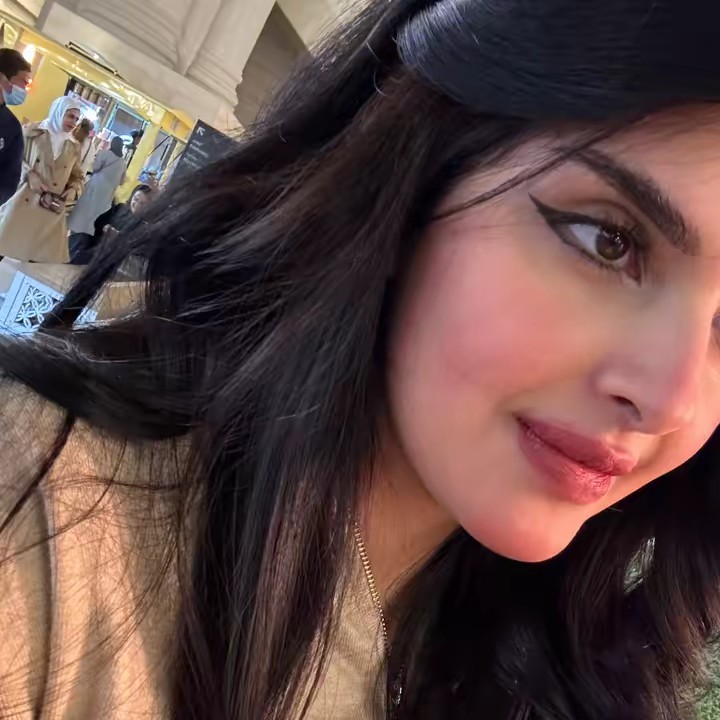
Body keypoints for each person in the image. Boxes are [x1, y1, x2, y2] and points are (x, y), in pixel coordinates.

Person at [1, 1, 720, 719]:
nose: (672, 400)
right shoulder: (46, 537)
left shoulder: (564, 657)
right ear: (412, 181)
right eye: (607, 242)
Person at [0, 95, 84, 263]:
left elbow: (78, 176)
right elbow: (11, 159)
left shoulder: (73, 146)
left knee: (33, 260)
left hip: (49, 207)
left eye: (76, 119)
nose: (73, 122)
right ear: (58, 112)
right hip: (23, 199)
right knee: (4, 244)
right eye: (70, 116)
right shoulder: (32, 132)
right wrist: (28, 174)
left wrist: (73, 191)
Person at [67, 136, 126, 260]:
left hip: (95, 188)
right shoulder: (122, 162)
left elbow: (95, 167)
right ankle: (79, 249)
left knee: (81, 217)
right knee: (93, 222)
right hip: (107, 196)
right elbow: (122, 181)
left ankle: (70, 246)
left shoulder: (104, 154)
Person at [0, 49, 31, 207]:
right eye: (24, 82)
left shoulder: (12, 127)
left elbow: (9, 180)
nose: (25, 89)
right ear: (3, 78)